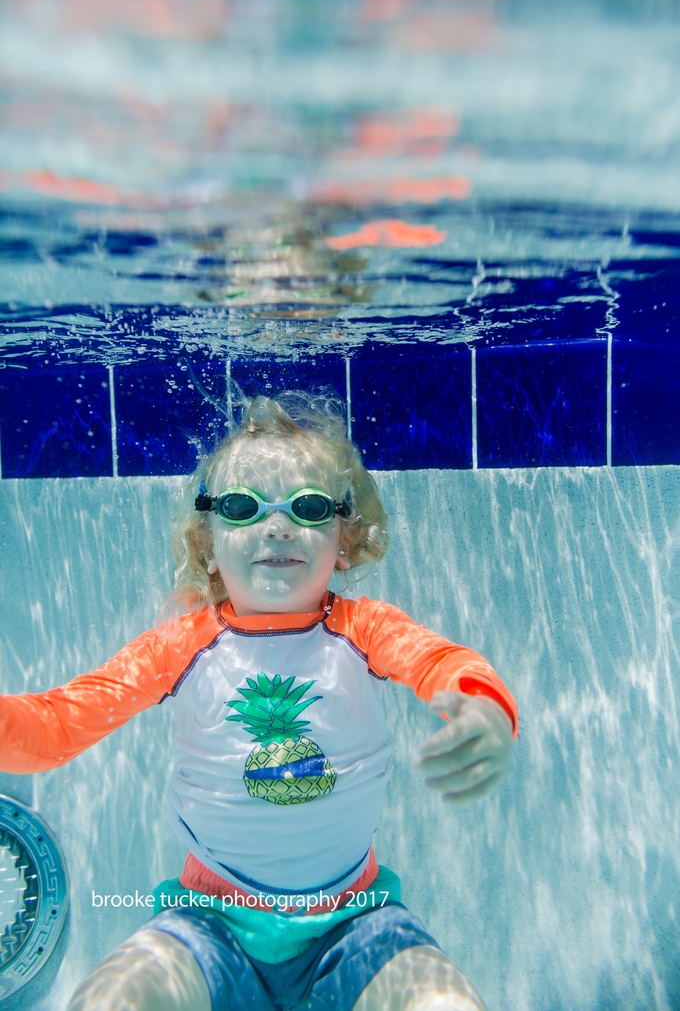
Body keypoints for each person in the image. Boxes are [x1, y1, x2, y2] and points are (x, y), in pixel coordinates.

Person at [0, 390, 518, 1011]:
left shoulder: (366, 629)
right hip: (209, 925)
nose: (276, 526)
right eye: (244, 508)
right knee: (114, 1002)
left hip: (354, 922)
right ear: (207, 548)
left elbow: (443, 661)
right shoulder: (178, 647)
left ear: (344, 540)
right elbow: (57, 726)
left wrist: (483, 707)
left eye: (306, 507)